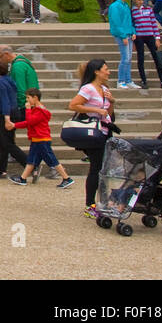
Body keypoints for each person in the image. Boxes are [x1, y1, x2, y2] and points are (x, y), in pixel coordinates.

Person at [2, 87, 76, 188]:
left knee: (52, 159)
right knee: (31, 160)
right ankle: (23, 178)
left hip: (42, 139)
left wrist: (26, 111)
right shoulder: (37, 110)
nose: (27, 100)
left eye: (28, 98)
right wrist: (15, 125)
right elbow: (29, 122)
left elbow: (30, 121)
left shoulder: (39, 111)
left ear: (35, 98)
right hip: (37, 139)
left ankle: (66, 178)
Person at [68, 59, 115, 217]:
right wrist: (95, 109)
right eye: (106, 69)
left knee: (101, 167)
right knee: (96, 168)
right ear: (97, 71)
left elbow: (109, 112)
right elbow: (73, 105)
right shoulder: (88, 88)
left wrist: (112, 101)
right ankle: (90, 204)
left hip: (104, 130)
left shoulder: (103, 88)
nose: (108, 72)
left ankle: (100, 201)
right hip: (94, 132)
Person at [0, 59, 28, 180]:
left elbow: (6, 101)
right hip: (14, 112)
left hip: (6, 115)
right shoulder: (9, 80)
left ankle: (30, 164)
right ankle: (1, 170)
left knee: (7, 143)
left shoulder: (0, 82)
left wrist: (7, 119)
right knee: (2, 143)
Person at [130, 0, 162, 88]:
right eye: (139, 0)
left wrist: (157, 37)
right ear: (134, 0)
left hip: (150, 36)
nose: (141, 2)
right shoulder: (132, 11)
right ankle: (143, 80)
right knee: (141, 58)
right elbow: (132, 25)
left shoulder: (148, 9)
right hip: (139, 37)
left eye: (142, 0)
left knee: (156, 57)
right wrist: (133, 40)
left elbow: (153, 24)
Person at [106, 0, 139, 89]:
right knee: (125, 58)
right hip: (122, 35)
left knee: (128, 58)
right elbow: (116, 22)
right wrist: (123, 35)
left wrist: (133, 32)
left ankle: (128, 80)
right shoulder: (115, 6)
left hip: (128, 33)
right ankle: (121, 81)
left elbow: (129, 21)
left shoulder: (125, 5)